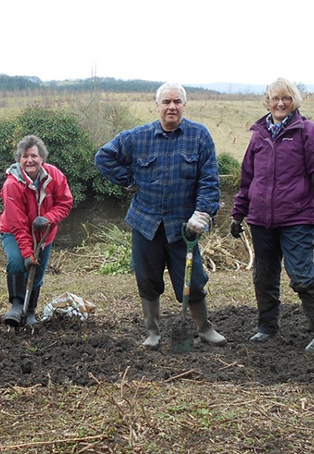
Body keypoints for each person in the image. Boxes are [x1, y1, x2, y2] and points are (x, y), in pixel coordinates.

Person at [95, 82, 226, 348]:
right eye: (166, 102)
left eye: (177, 102)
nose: (172, 107)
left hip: (183, 228)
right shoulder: (138, 137)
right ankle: (152, 332)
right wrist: (127, 180)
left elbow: (209, 180)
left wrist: (202, 213)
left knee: (193, 280)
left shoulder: (199, 136)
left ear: (184, 106)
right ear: (157, 106)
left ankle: (204, 327)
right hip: (146, 224)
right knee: (147, 279)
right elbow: (103, 157)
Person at [229, 77, 314, 354]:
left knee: (302, 276)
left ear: (294, 101)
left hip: (297, 219)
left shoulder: (307, 132)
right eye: (275, 98)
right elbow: (247, 180)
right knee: (264, 277)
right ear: (267, 102)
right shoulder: (259, 135)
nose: (280, 103)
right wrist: (238, 214)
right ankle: (267, 327)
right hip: (261, 220)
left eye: (286, 98)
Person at [0, 135, 73, 327]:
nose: (29, 160)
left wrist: (48, 218)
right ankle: (16, 306)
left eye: (33, 155)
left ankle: (30, 310)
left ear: (42, 157)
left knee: (38, 270)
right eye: (25, 156)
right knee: (17, 262)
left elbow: (65, 203)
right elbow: (17, 223)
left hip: (45, 234)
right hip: (13, 232)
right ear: (19, 159)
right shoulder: (12, 185)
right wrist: (26, 252)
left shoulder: (54, 176)